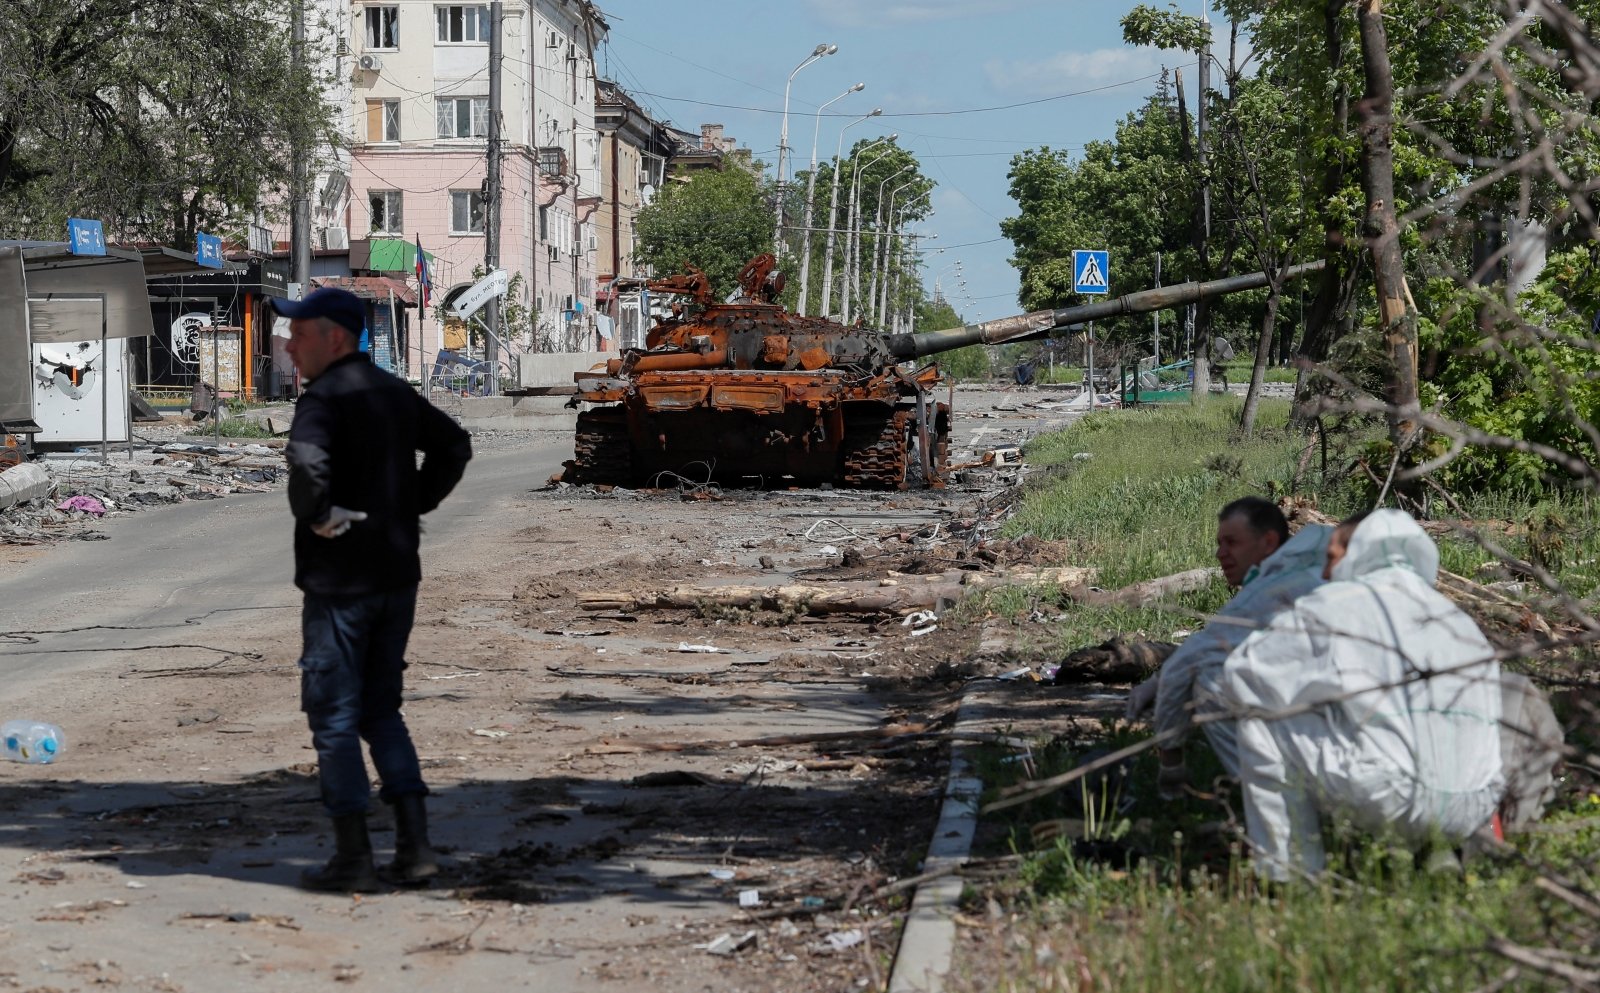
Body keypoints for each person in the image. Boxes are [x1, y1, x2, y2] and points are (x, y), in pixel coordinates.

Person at [273, 287, 473, 893]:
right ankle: (416, 850)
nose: (289, 344)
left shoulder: (323, 399)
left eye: (299, 334)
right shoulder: (392, 392)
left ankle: (353, 858)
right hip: (396, 578)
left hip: (339, 586)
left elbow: (307, 465)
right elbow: (454, 446)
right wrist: (409, 506)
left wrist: (316, 514)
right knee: (380, 711)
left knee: (333, 717)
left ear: (334, 338)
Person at [1218, 510, 1504, 880]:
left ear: (1358, 552)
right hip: (1475, 804)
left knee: (1260, 716)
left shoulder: (1333, 603)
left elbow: (1243, 675)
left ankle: (1288, 872)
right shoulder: (1456, 619)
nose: (1324, 572)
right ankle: (1439, 849)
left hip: (1395, 798)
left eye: (1333, 557)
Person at [1125, 497, 1332, 798]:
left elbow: (1189, 662)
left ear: (1269, 542)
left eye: (1232, 542)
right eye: (1220, 543)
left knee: (1210, 679)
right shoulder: (1316, 571)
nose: (1220, 554)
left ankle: (1274, 796)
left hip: (1330, 735)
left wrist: (1170, 763)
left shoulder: (1269, 590)